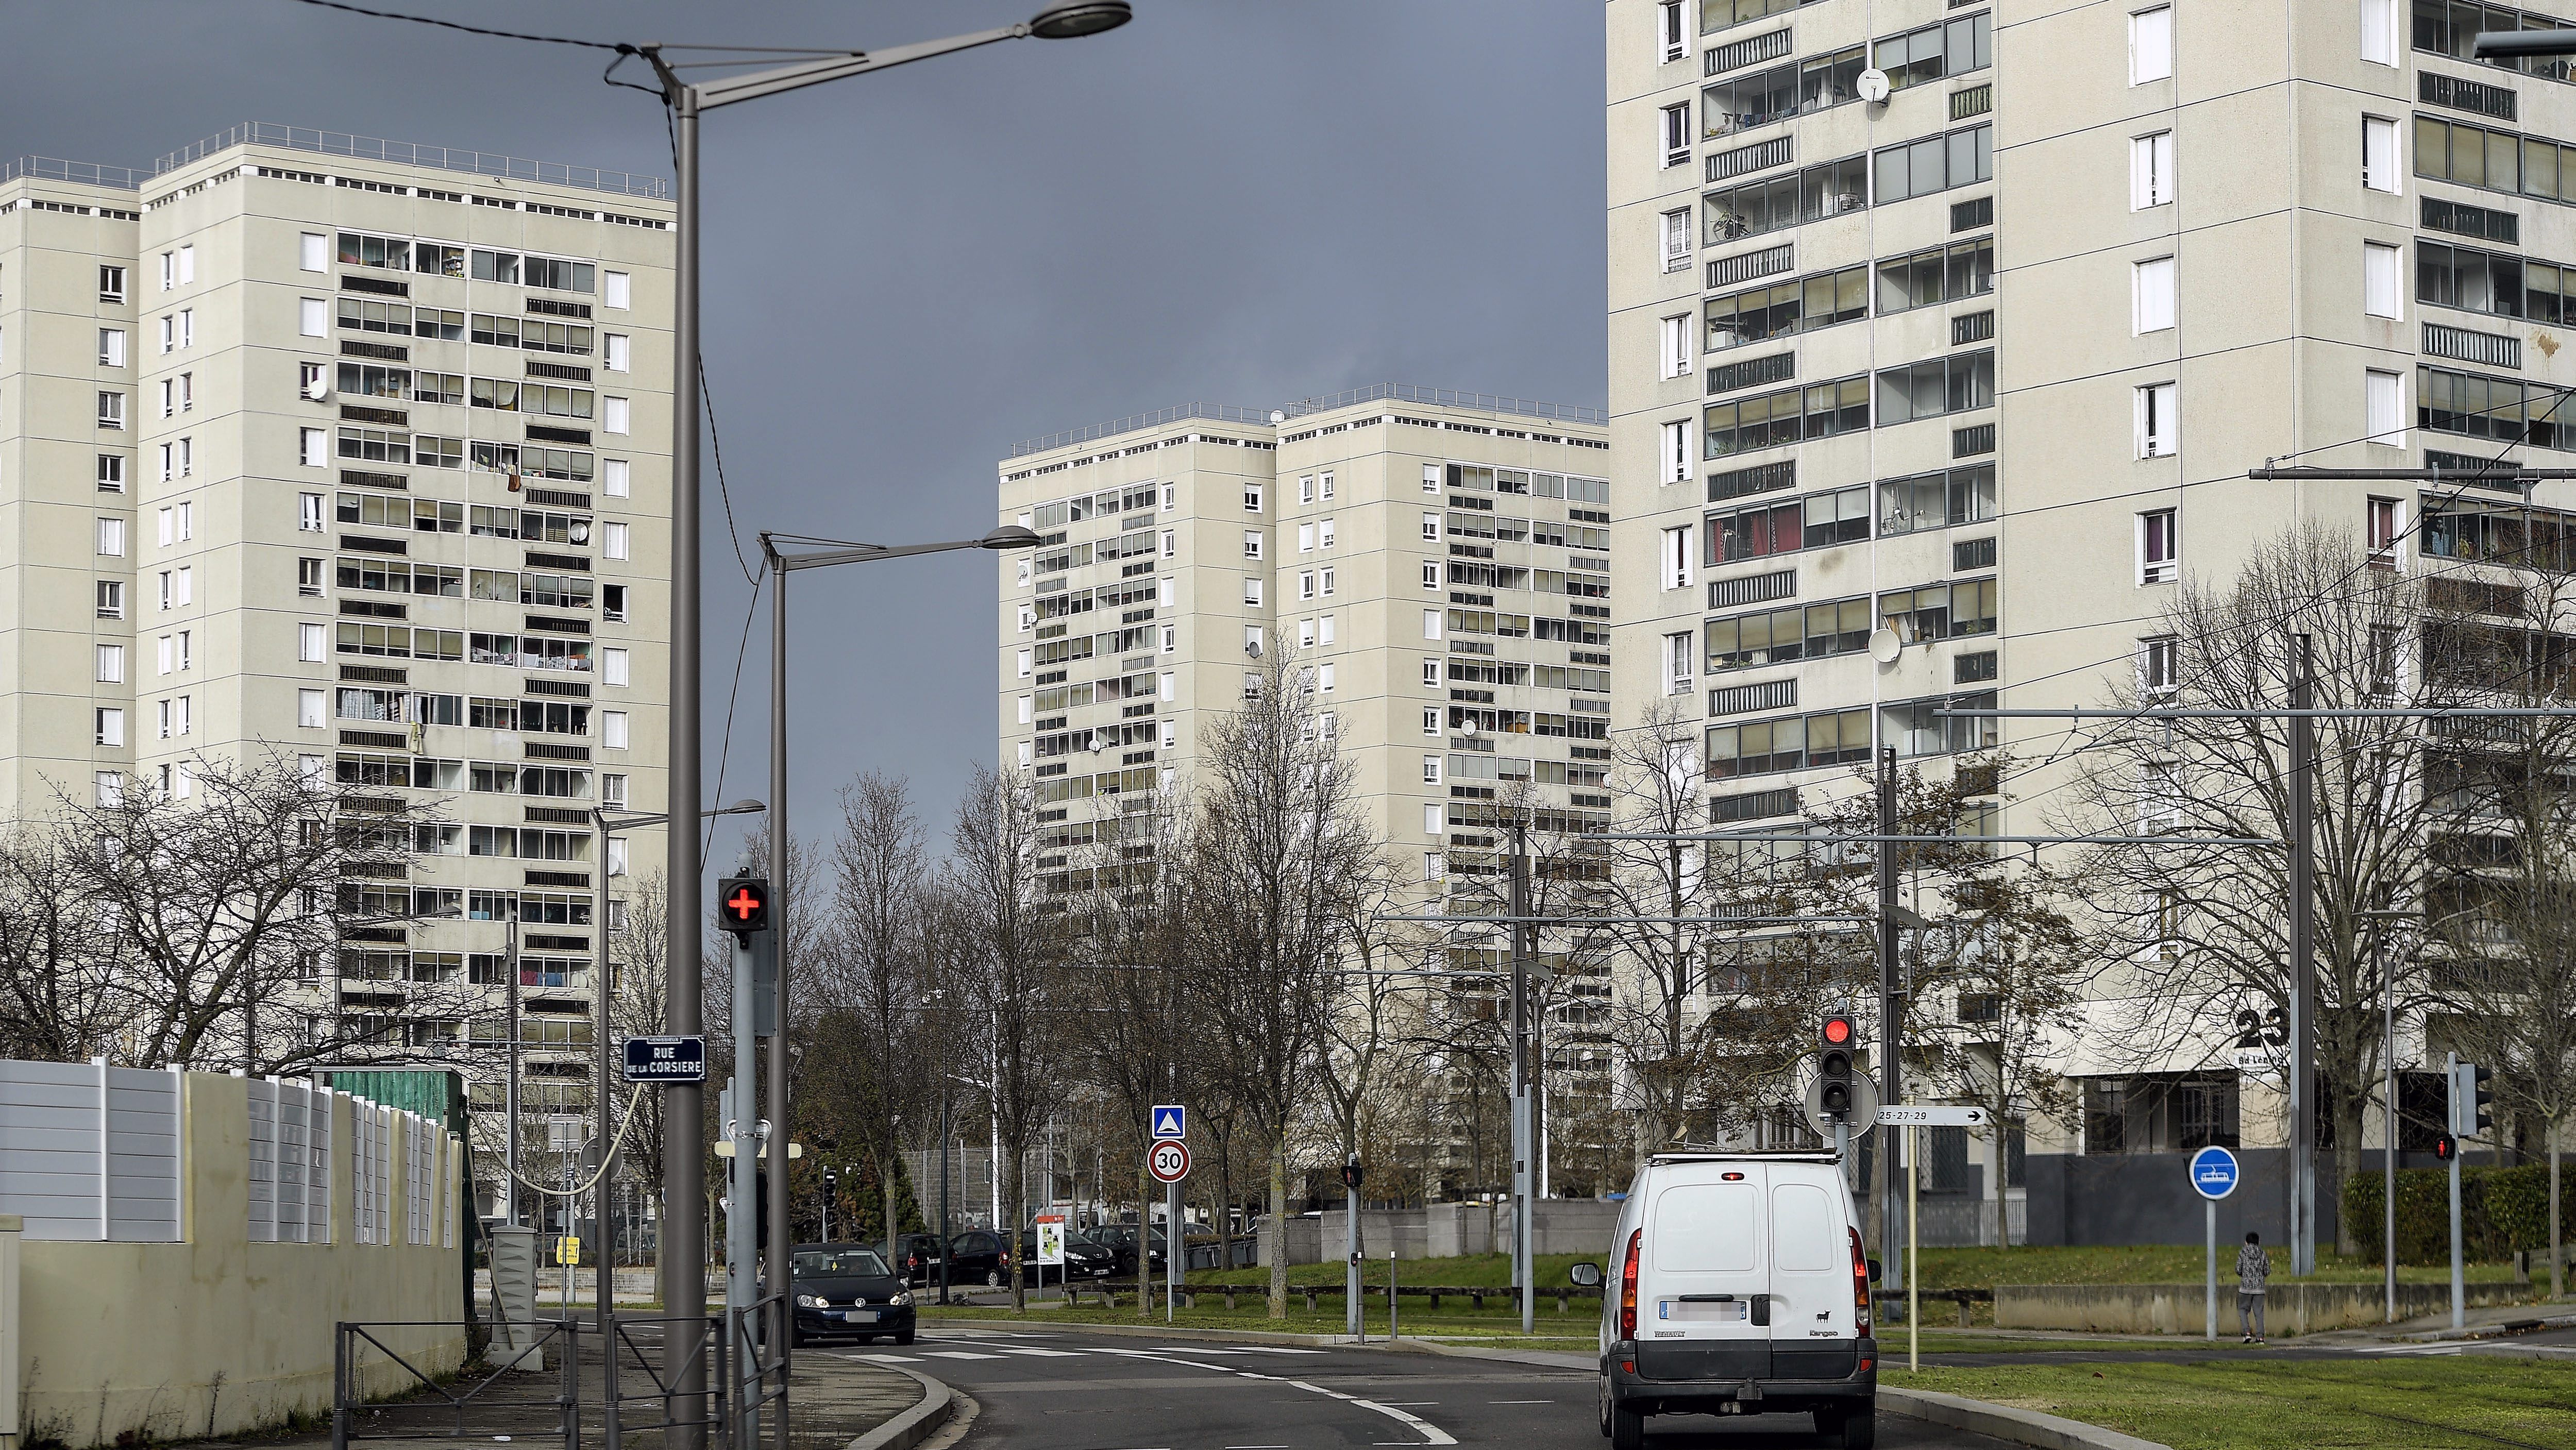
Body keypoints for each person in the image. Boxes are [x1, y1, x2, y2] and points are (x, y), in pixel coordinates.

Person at [2235, 1230, 2271, 1343]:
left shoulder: (2243, 1252)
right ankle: (2260, 1337)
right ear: (2258, 1242)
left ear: (2246, 1242)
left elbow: (2238, 1269)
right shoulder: (2262, 1253)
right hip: (2259, 1288)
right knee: (2259, 1312)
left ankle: (2247, 1332)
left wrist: (2245, 1275)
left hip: (2245, 1287)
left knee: (2242, 1309)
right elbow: (2267, 1270)